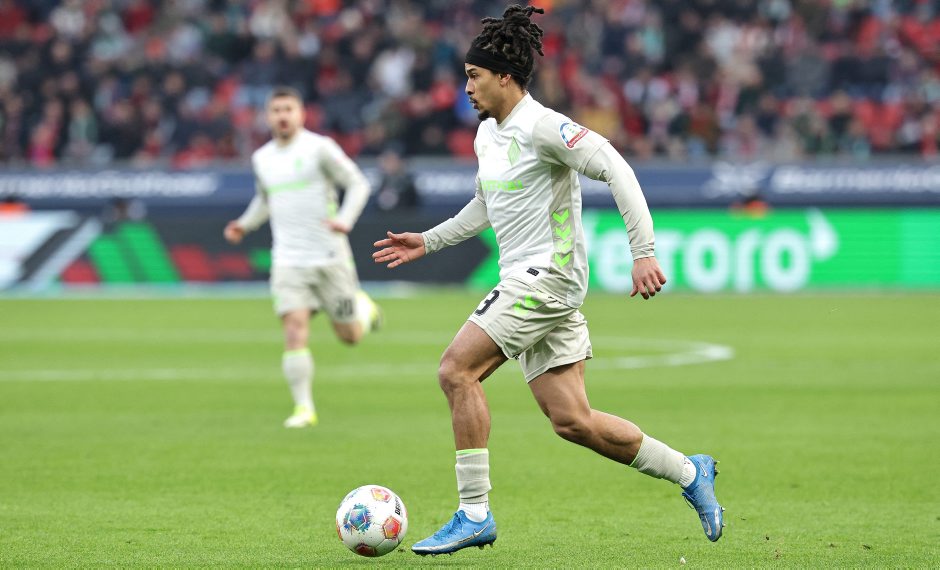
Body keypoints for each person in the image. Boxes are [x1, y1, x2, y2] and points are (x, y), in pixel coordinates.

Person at [372, 5, 724, 555]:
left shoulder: (545, 127)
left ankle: (474, 512)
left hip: (546, 277)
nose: (466, 87)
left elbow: (616, 167)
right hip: (528, 278)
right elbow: (484, 205)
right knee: (573, 421)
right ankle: (689, 470)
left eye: (474, 76)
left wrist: (643, 252)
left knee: (456, 371)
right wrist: (429, 240)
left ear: (504, 77)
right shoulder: (487, 135)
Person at [225, 86, 381, 429]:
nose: (282, 116)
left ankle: (364, 310)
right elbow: (265, 199)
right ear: (267, 117)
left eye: (288, 109)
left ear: (301, 114)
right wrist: (244, 225)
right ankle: (303, 408)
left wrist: (345, 219)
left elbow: (358, 183)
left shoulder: (319, 148)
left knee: (350, 336)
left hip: (329, 257)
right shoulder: (262, 158)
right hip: (288, 260)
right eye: (276, 110)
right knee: (294, 330)